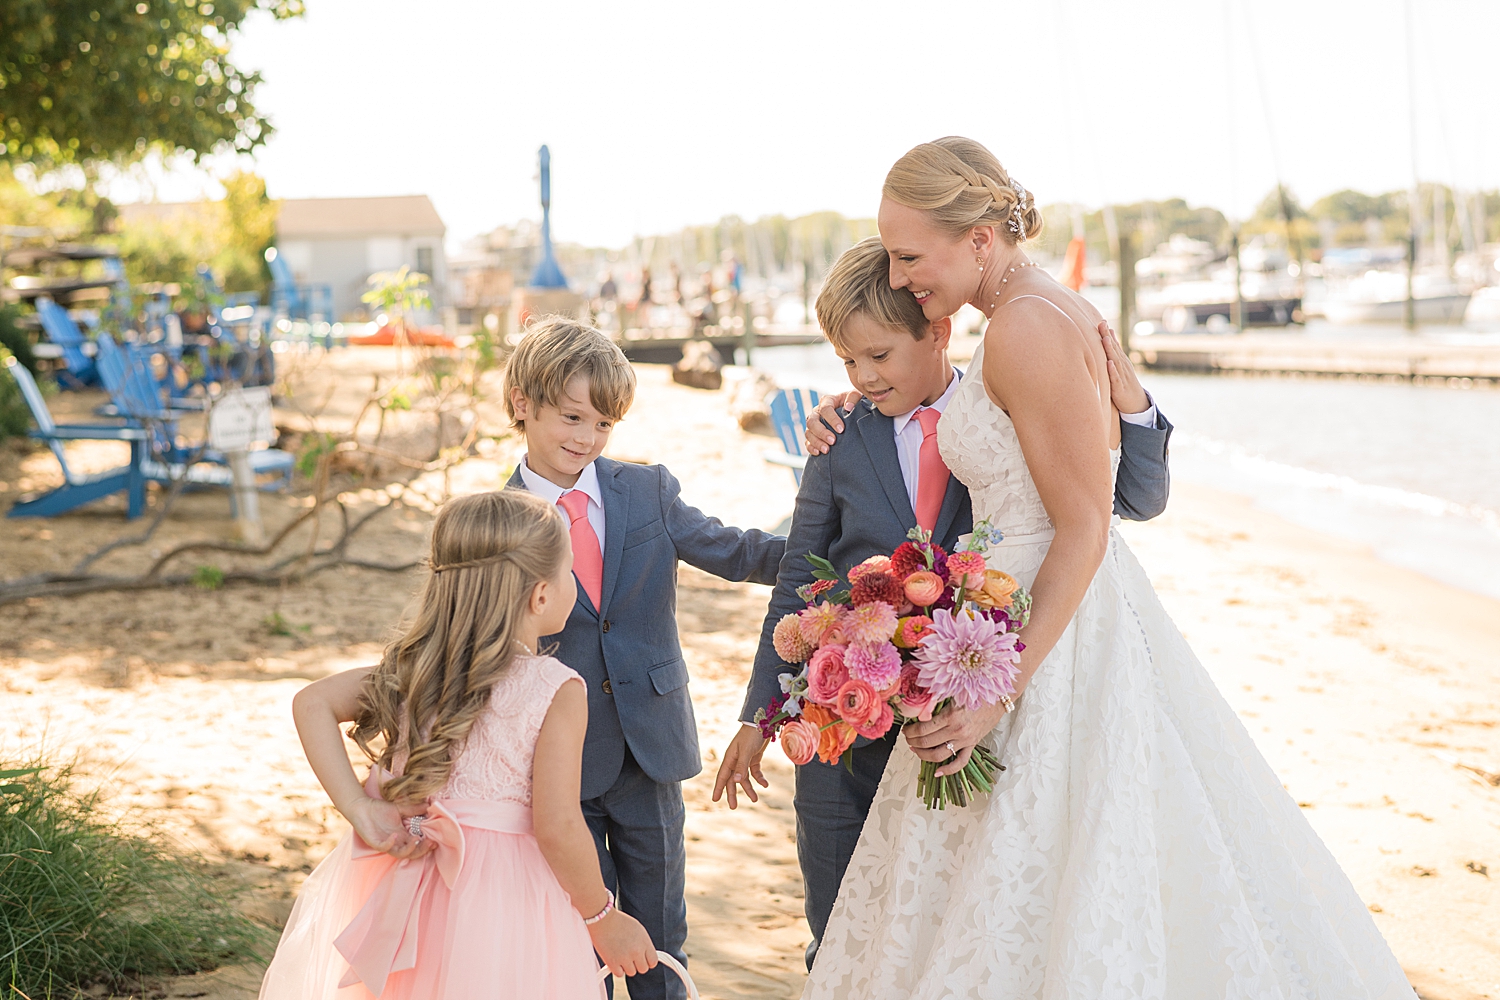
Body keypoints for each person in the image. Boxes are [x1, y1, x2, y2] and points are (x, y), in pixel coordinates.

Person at [801, 138, 1414, 997]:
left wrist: (993, 692)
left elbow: (1086, 526)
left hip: (1048, 640)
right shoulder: (1034, 312)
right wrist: (852, 407)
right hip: (1019, 619)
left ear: (980, 237)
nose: (900, 278)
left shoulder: (1024, 327)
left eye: (910, 255)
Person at [712, 235, 1174, 971]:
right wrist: (762, 714)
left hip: (960, 720)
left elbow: (1115, 503)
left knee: (940, 930)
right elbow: (800, 580)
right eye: (847, 362)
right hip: (842, 725)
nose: (863, 377)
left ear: (937, 330)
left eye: (879, 356)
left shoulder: (998, 415)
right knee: (838, 937)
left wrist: (1132, 402)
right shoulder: (838, 440)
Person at [258, 490, 658, 999]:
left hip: (416, 883)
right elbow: (556, 826)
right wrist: (601, 915)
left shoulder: (415, 670)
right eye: (569, 571)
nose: (573, 583)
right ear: (539, 595)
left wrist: (359, 808)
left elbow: (312, 703)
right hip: (506, 899)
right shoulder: (554, 687)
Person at [502, 317, 786, 1000]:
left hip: (650, 750)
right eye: (571, 416)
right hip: (552, 765)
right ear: (522, 403)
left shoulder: (645, 490)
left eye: (603, 425)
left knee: (661, 939)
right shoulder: (499, 518)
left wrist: (828, 554)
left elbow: (737, 551)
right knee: (576, 939)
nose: (585, 438)